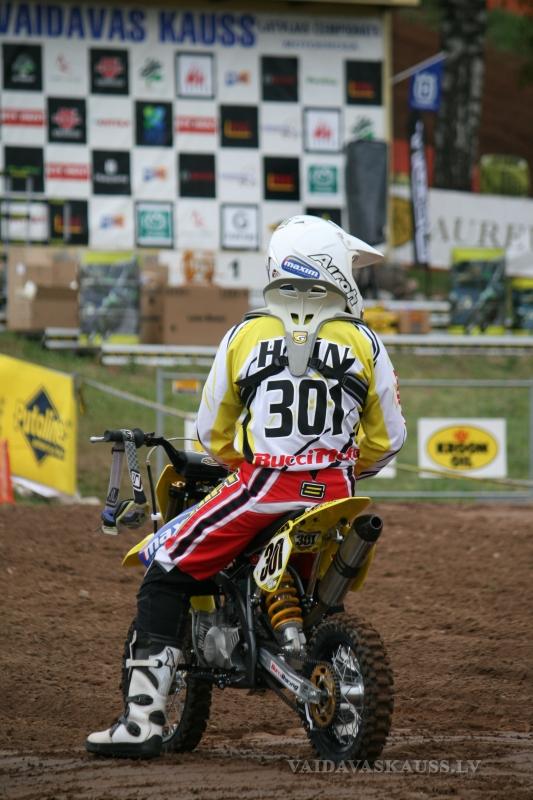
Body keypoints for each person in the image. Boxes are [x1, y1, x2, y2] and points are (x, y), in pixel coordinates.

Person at [86, 215, 406, 759]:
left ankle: (141, 722)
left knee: (164, 564)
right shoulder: (366, 341)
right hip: (337, 494)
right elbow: (389, 440)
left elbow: (211, 434)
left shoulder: (243, 336)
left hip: (262, 488)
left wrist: (248, 464)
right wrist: (342, 467)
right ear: (330, 268)